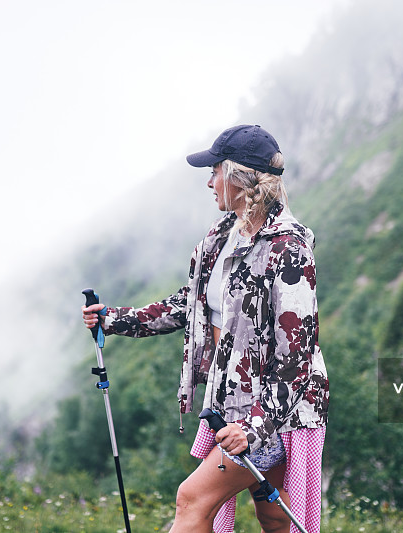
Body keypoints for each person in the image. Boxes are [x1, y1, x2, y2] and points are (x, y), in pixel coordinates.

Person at [82, 124, 329, 533]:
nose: (209, 182)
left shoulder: (288, 248)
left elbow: (297, 357)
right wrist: (116, 319)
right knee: (273, 514)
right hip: (234, 402)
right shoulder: (221, 237)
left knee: (192, 499)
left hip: (277, 412)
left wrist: (254, 426)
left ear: (238, 177)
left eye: (214, 171)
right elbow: (191, 303)